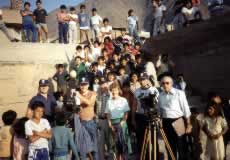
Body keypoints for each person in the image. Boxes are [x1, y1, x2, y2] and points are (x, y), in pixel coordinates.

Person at [157, 76, 192, 160]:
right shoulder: (160, 95)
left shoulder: (179, 93)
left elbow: (186, 109)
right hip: (166, 122)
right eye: (163, 83)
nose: (165, 85)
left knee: (181, 146)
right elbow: (159, 110)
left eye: (167, 83)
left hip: (178, 121)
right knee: (169, 146)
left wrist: (188, 124)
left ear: (172, 84)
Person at [105, 82, 132, 160]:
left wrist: (122, 123)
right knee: (115, 146)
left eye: (115, 90)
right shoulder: (109, 101)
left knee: (123, 144)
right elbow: (108, 114)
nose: (114, 92)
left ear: (118, 90)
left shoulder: (123, 100)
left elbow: (126, 113)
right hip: (113, 124)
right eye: (112, 90)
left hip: (121, 123)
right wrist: (110, 124)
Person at [73, 77, 98, 160]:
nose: (83, 86)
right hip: (79, 123)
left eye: (85, 84)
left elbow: (89, 103)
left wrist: (78, 95)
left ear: (88, 85)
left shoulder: (93, 93)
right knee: (82, 148)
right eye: (81, 84)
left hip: (90, 122)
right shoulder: (76, 94)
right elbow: (73, 107)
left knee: (94, 148)